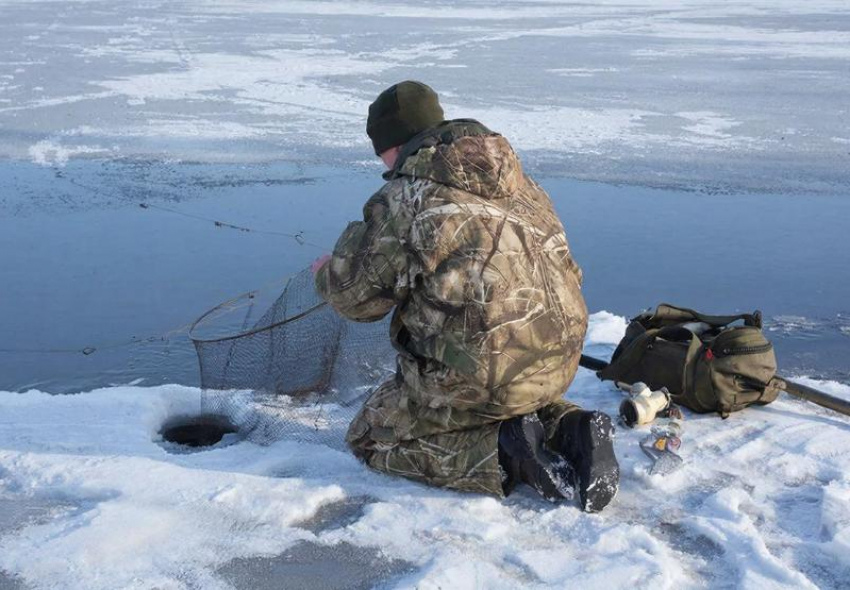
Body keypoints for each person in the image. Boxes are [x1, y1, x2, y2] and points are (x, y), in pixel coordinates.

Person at [313, 81, 619, 511]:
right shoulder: (523, 184)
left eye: (379, 150)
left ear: (393, 143)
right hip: (558, 362)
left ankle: (505, 456)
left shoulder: (405, 198)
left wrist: (328, 271)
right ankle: (570, 425)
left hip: (484, 377)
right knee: (506, 388)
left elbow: (356, 300)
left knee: (369, 434)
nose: (380, 162)